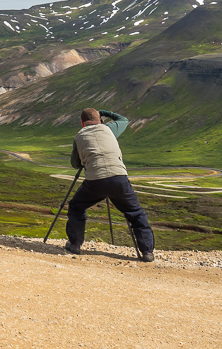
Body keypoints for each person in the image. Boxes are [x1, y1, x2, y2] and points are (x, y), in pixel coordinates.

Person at [64, 108, 155, 262]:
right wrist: (105, 112)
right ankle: (147, 252)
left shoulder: (79, 136)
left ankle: (75, 244)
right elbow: (123, 120)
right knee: (135, 213)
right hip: (119, 179)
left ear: (82, 123)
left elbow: (75, 164)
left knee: (76, 206)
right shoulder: (109, 129)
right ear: (101, 120)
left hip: (95, 181)